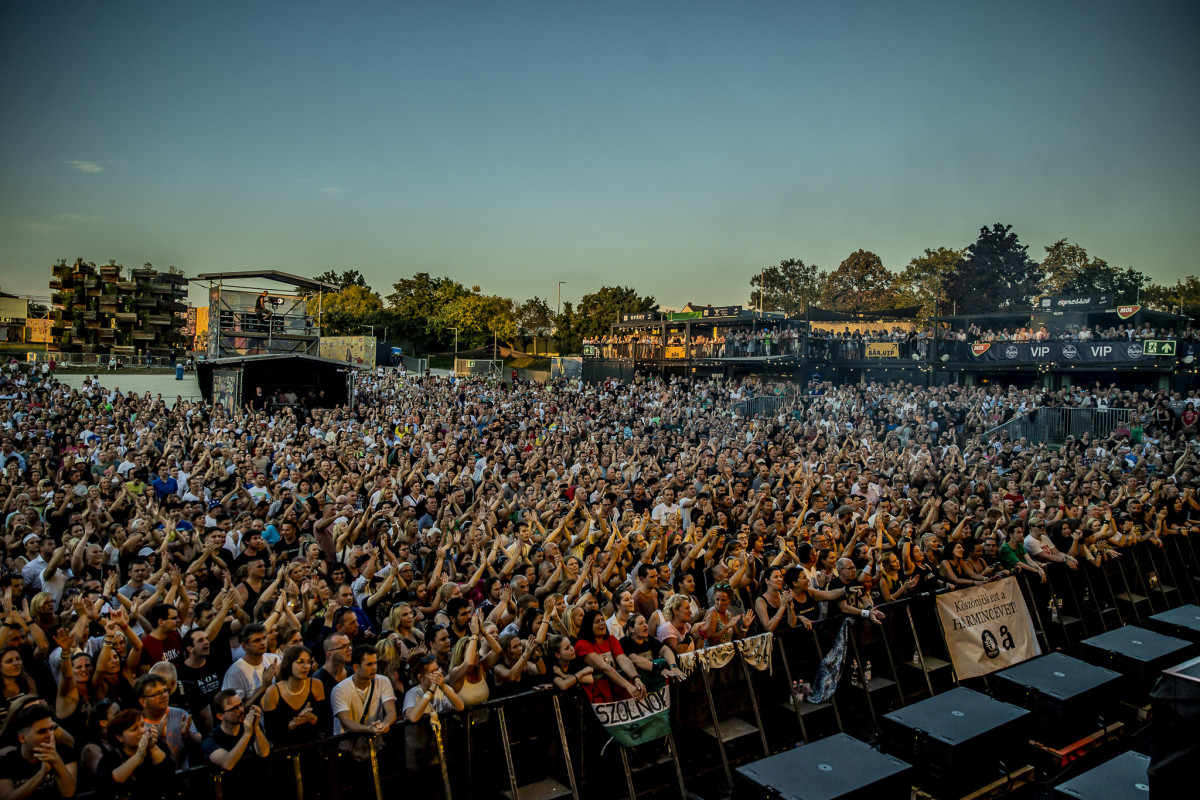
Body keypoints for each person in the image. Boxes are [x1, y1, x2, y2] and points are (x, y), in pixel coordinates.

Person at [0, 703, 77, 799]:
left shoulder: (65, 752)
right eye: (42, 731)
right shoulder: (6, 762)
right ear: (22, 738)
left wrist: (56, 760)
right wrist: (42, 773)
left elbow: (69, 793)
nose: (50, 735)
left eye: (51, 729)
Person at [96, 709, 177, 800]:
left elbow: (170, 773)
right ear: (119, 737)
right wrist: (138, 756)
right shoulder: (110, 758)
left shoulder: (158, 745)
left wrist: (152, 748)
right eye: (134, 729)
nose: (142, 731)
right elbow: (107, 784)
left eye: (143, 725)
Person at [202, 691, 270, 795]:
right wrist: (247, 735)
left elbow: (264, 752)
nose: (241, 710)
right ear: (220, 716)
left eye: (241, 705)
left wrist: (256, 728)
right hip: (231, 791)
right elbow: (227, 763)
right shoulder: (211, 740)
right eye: (234, 709)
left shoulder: (251, 726)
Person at [262, 645, 329, 746]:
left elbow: (325, 725)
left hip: (312, 746)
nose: (306, 666)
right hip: (285, 750)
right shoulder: (273, 691)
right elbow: (270, 733)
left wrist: (311, 718)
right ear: (288, 664)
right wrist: (292, 724)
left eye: (309, 662)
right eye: (300, 662)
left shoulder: (316, 685)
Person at [331, 645, 397, 736]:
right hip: (347, 746)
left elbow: (391, 712)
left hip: (374, 745)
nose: (374, 668)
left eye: (375, 663)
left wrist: (384, 724)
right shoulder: (340, 690)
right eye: (369, 664)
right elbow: (345, 722)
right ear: (356, 667)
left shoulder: (383, 681)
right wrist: (368, 729)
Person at [221, 623, 280, 704]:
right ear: (244, 646)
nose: (263, 643)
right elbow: (239, 709)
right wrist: (263, 688)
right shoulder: (234, 673)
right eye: (257, 640)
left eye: (264, 638)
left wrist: (280, 678)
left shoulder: (274, 659)